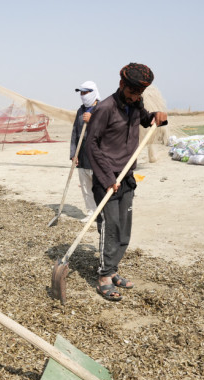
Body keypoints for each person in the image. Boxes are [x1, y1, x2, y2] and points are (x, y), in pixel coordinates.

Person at [85, 63, 168, 301]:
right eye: (132, 93)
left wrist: (156, 117)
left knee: (123, 230)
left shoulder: (136, 104)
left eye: (139, 94)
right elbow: (92, 144)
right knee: (109, 228)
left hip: (127, 177)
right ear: (121, 85)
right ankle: (103, 277)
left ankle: (113, 270)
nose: (134, 98)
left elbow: (144, 120)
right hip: (107, 178)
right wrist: (108, 178)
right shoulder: (106, 109)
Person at [71, 81, 101, 221]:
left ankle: (101, 213)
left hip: (97, 155)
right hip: (82, 155)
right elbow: (75, 132)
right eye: (81, 93)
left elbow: (108, 129)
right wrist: (73, 154)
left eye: (86, 92)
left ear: (93, 92)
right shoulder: (80, 110)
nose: (83, 96)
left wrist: (93, 119)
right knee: (85, 186)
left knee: (98, 186)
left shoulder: (102, 109)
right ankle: (91, 212)